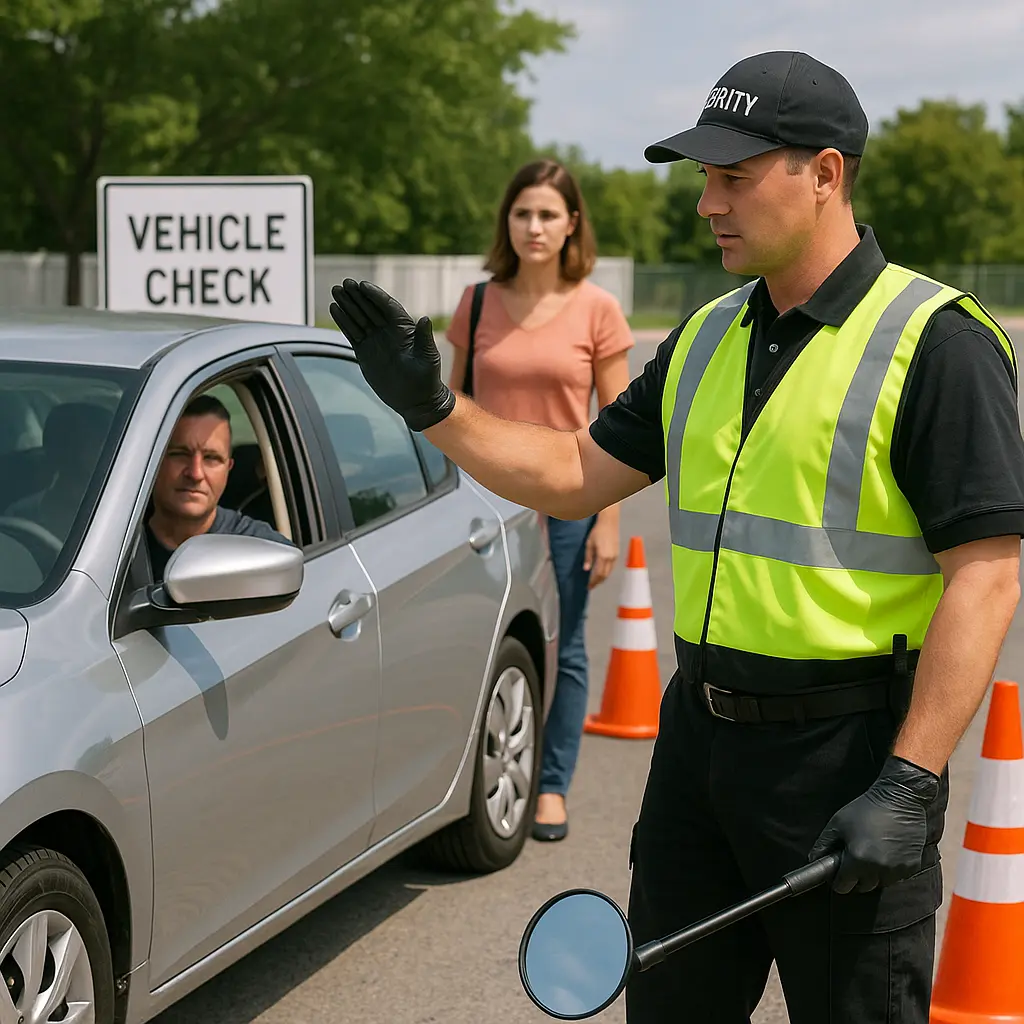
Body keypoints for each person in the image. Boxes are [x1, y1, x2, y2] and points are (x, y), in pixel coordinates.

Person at [327, 50, 1024, 1024]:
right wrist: (436, 407)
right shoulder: (703, 337)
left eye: (733, 177)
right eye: (704, 177)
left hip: (848, 758)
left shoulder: (934, 341)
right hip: (698, 751)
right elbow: (575, 475)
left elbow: (986, 576)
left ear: (824, 174)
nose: (707, 203)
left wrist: (909, 780)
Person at [445, 159, 634, 842]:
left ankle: (550, 784)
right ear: (508, 221)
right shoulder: (475, 303)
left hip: (566, 506)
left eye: (549, 214)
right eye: (523, 213)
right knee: (477, 641)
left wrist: (607, 521)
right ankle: (468, 780)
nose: (534, 226)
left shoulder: (597, 308)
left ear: (572, 224)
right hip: (481, 505)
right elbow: (452, 405)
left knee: (565, 647)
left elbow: (621, 427)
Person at [146, 394, 294, 581]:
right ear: (154, 462)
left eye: (211, 458)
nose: (195, 473)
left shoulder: (258, 551)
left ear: (228, 469)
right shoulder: (113, 545)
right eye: (180, 454)